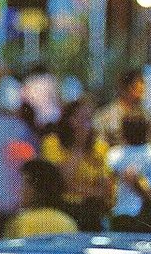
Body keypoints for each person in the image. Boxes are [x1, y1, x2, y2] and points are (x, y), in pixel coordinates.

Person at [41, 97, 113, 231]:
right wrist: (78, 147)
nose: (87, 125)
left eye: (89, 120)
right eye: (82, 119)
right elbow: (61, 181)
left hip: (92, 210)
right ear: (69, 120)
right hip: (63, 209)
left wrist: (77, 189)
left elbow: (105, 189)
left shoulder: (100, 147)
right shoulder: (52, 143)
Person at [2, 159, 79, 238]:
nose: (19, 190)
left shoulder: (20, 222)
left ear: (36, 189)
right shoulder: (68, 221)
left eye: (23, 183)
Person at [94, 69, 148, 146]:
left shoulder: (145, 115)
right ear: (126, 89)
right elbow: (99, 144)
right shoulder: (105, 116)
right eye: (139, 90)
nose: (142, 95)